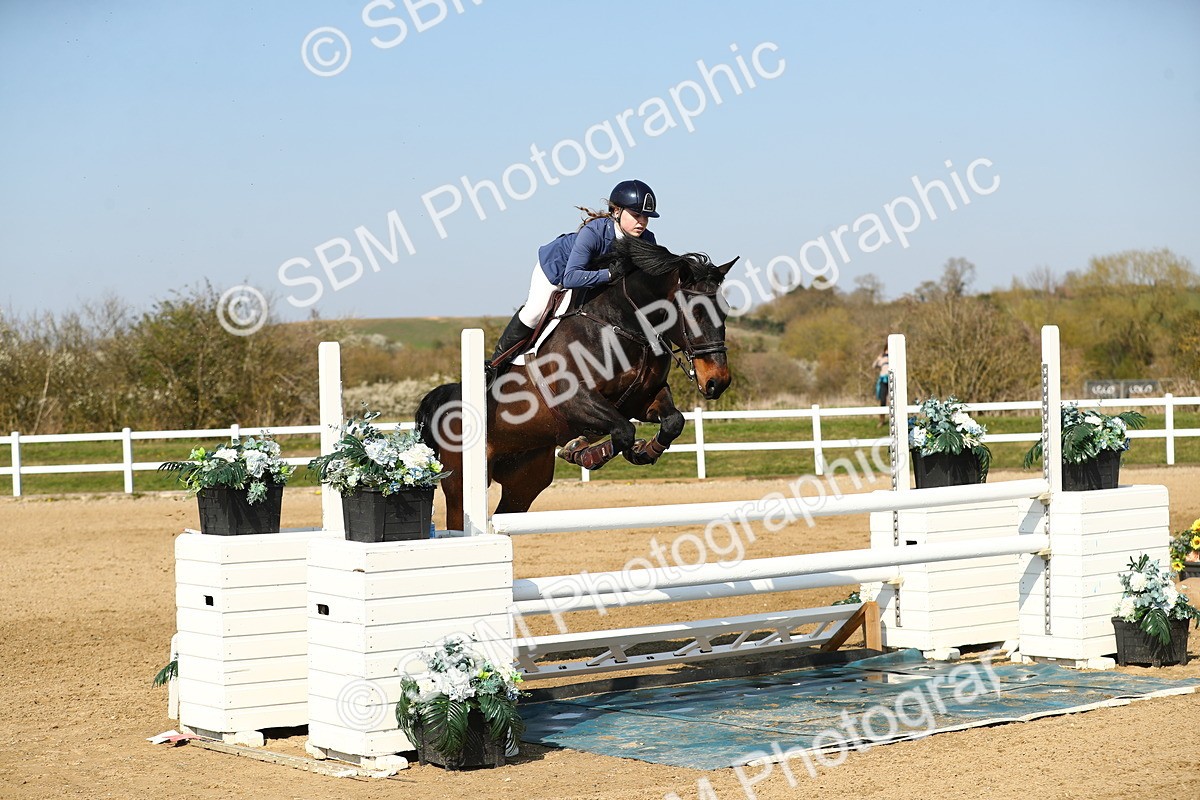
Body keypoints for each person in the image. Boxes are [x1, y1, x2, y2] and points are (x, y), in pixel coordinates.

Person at [488, 179, 660, 371]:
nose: (642, 222)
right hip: (558, 270)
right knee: (534, 313)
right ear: (617, 211)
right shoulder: (594, 233)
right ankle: (495, 365)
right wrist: (610, 275)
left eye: (646, 217)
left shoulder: (647, 240)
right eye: (637, 215)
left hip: (593, 276)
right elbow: (571, 278)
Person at [873, 345, 890, 418]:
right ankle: (882, 419)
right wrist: (878, 359)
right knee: (882, 400)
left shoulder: (893, 358)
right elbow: (874, 366)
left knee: (892, 400)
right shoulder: (882, 359)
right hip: (883, 380)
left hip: (891, 380)